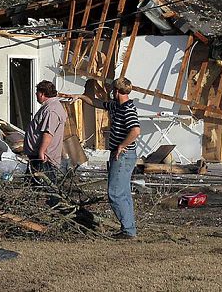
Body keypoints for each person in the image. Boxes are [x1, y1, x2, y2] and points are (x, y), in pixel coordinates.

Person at [80, 77, 141, 239]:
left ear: (117, 91)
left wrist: (122, 145)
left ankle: (128, 230)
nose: (110, 93)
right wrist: (79, 97)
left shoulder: (127, 109)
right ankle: (129, 228)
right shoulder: (115, 105)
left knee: (115, 193)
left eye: (112, 90)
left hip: (123, 155)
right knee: (124, 193)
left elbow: (135, 131)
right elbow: (97, 103)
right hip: (119, 154)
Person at [23, 80, 67, 177]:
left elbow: (48, 133)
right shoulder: (49, 107)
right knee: (33, 183)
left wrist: (41, 152)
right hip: (38, 155)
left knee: (43, 184)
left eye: (37, 92)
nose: (36, 94)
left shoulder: (51, 110)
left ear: (42, 94)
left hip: (44, 157)